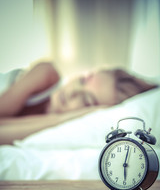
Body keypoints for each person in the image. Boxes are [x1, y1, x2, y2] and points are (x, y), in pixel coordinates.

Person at [0, 62, 157, 145]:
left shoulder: (58, 128)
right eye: (83, 81)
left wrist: (62, 119)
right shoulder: (47, 74)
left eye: (86, 100)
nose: (73, 92)